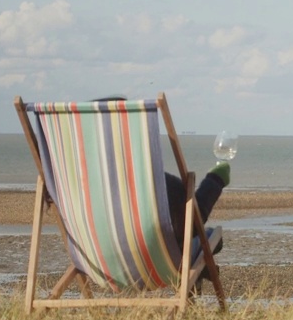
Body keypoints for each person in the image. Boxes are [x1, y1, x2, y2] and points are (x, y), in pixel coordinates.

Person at [94, 97, 230, 253]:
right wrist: (215, 180)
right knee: (213, 237)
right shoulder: (155, 184)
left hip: (99, 262)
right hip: (157, 263)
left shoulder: (81, 187)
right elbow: (193, 224)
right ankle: (197, 272)